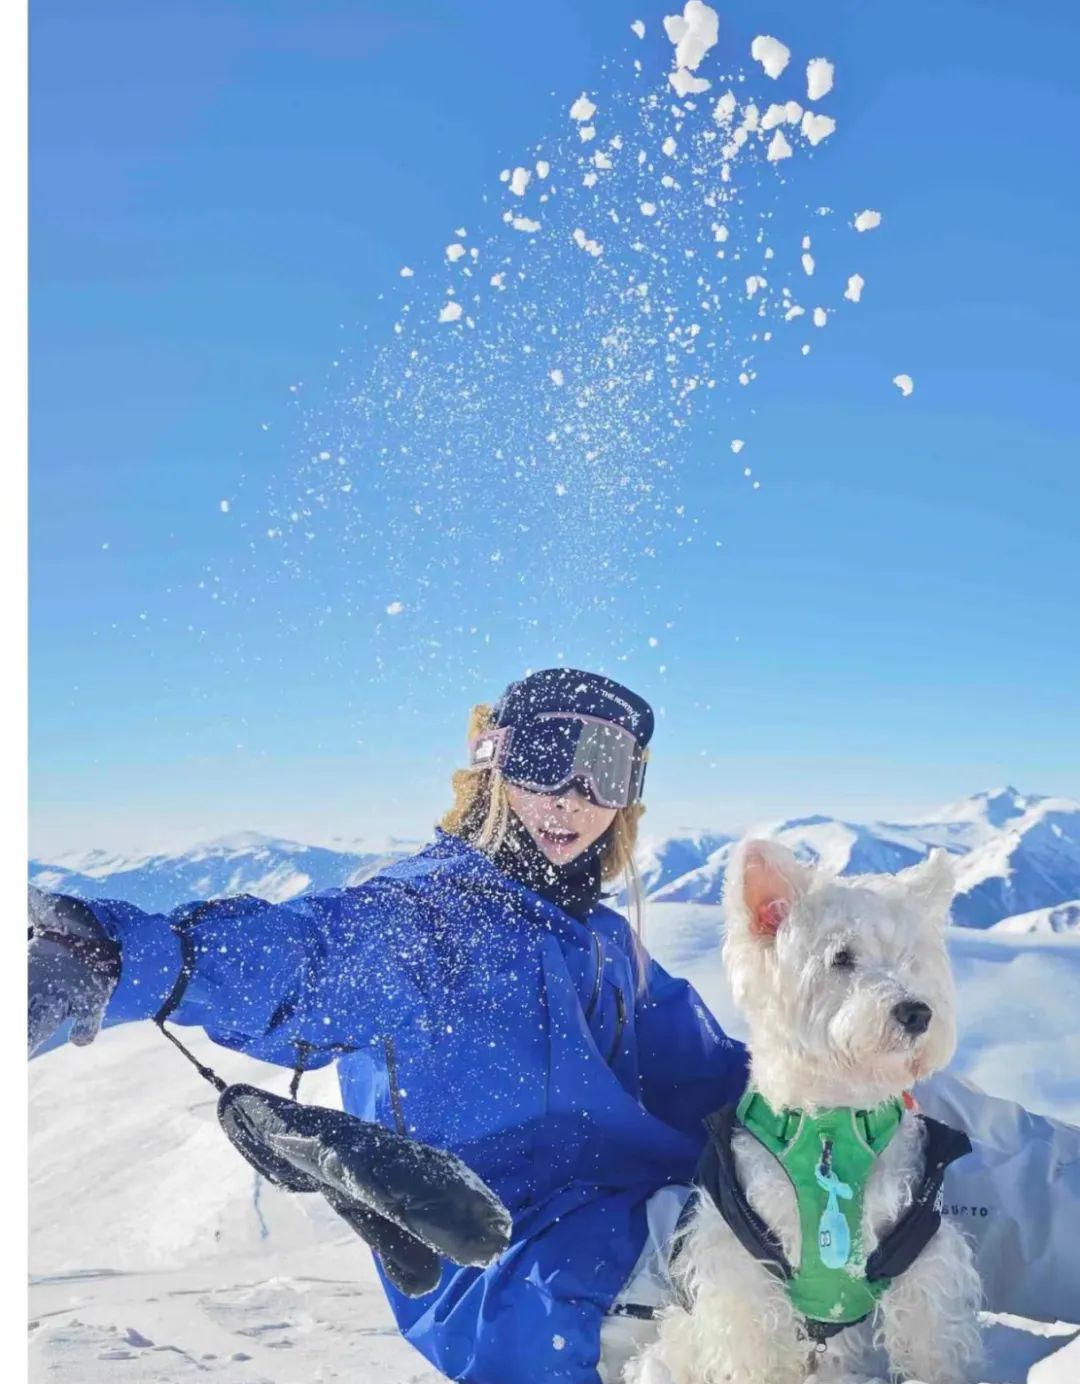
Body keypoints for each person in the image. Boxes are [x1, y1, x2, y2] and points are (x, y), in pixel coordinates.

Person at [28, 668, 1080, 1384]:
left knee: (917, 1127)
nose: (574, 796)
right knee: (814, 1247)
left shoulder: (599, 942)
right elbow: (295, 958)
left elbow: (721, 1077)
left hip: (669, 1201)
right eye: (545, 756)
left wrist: (856, 1106)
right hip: (533, 1273)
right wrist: (113, 959)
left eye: (608, 772)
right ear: (490, 762)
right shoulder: (423, 920)